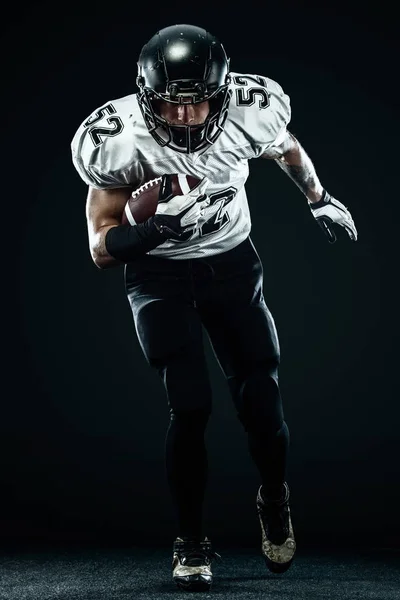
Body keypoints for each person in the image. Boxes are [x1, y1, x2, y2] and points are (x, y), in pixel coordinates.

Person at [71, 23, 358, 592]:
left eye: (197, 100)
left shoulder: (253, 110)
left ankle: (273, 496)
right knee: (191, 406)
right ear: (145, 97)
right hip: (158, 278)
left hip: (230, 268)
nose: (184, 117)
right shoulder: (116, 138)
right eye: (171, 105)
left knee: (261, 399)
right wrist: (152, 229)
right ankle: (191, 541)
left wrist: (318, 198)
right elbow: (101, 249)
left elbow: (287, 147)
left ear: (223, 93)